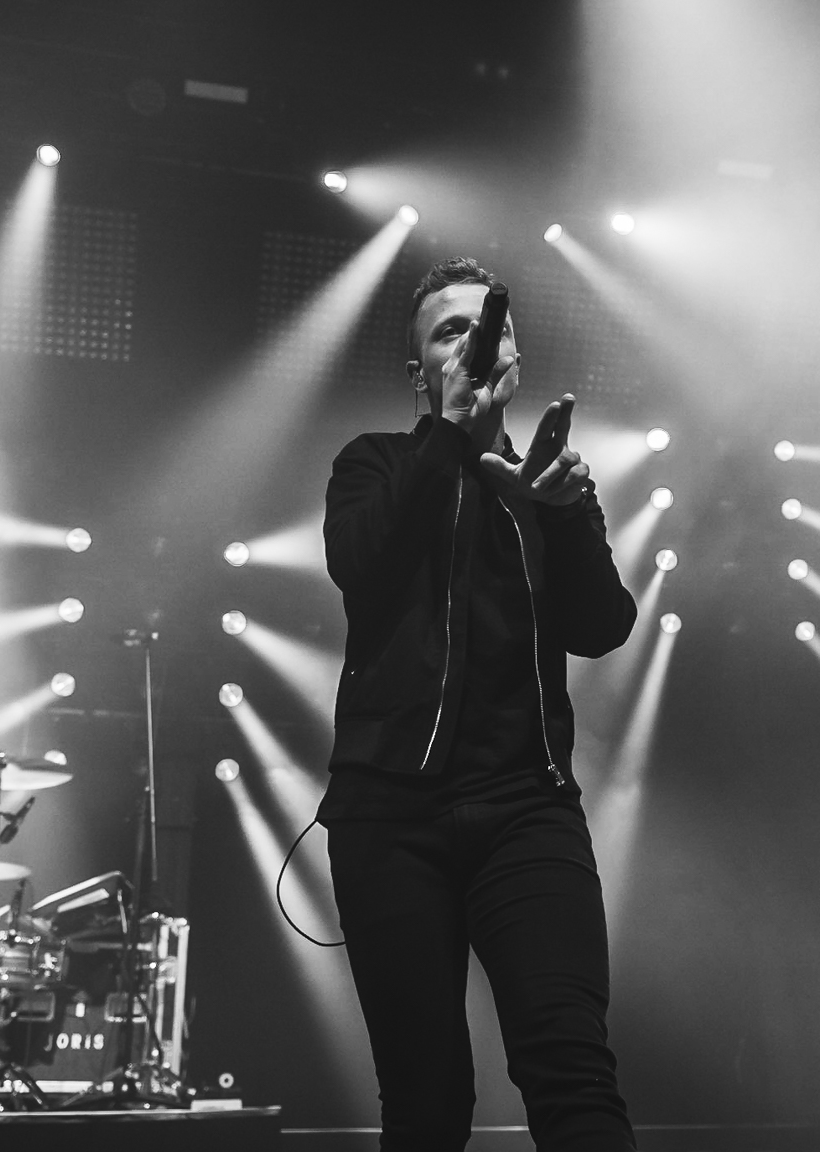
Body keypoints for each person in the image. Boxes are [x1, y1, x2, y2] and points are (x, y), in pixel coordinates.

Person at [319, 257, 639, 1152]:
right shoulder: (374, 463)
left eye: (487, 326)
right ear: (417, 369)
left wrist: (561, 512)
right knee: (426, 1101)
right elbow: (361, 562)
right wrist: (449, 438)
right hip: (389, 816)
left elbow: (603, 626)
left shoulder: (550, 479)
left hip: (526, 809)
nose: (472, 341)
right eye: (448, 330)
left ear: (516, 357)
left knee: (571, 1068)